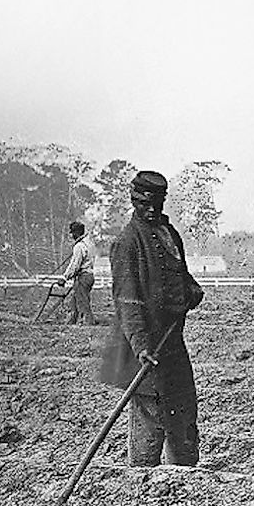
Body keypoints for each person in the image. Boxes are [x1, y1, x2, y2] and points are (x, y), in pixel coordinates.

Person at [98, 170, 205, 467]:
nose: (152, 209)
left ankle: (183, 476)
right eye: (145, 203)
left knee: (183, 410)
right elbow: (127, 302)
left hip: (172, 344)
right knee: (151, 414)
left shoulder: (170, 234)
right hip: (144, 348)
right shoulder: (127, 242)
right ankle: (142, 480)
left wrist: (191, 291)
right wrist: (141, 346)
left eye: (157, 203)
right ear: (134, 200)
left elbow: (182, 277)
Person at [60, 220, 96, 325]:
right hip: (89, 276)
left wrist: (64, 278)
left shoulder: (79, 246)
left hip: (83, 277)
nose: (71, 236)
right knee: (74, 301)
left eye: (72, 233)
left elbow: (74, 265)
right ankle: (70, 322)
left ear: (76, 233)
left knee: (83, 302)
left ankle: (88, 323)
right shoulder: (89, 244)